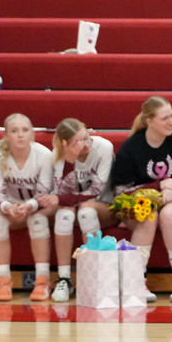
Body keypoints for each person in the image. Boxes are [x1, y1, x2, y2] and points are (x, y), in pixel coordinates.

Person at [109, 96, 172, 302]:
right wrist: (158, 185)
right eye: (165, 118)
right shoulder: (132, 147)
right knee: (148, 215)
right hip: (140, 207)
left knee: (167, 214)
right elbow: (122, 192)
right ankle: (135, 282)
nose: (171, 121)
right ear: (149, 121)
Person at [0, 113, 58, 302]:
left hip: (38, 207)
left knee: (38, 220)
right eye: (14, 131)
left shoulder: (44, 155)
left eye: (25, 130)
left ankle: (42, 281)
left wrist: (29, 206)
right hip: (12, 209)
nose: (20, 135)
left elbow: (43, 192)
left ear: (32, 134)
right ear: (5, 136)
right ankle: (3, 281)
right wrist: (8, 207)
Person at [50, 118, 117, 302]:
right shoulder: (58, 154)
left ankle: (94, 278)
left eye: (86, 137)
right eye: (77, 142)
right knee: (64, 213)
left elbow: (96, 190)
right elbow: (60, 192)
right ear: (65, 144)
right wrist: (70, 162)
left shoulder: (103, 147)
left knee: (85, 211)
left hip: (104, 205)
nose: (85, 144)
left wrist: (67, 200)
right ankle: (64, 278)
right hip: (72, 208)